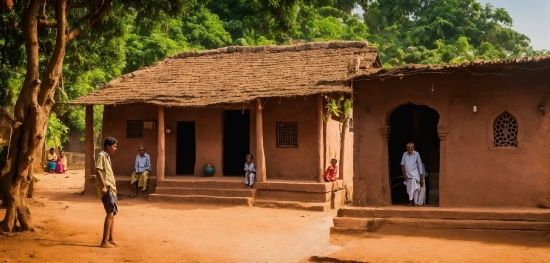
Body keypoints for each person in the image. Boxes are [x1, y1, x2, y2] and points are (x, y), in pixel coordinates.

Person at [95, 137, 118, 248]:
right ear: (108, 146)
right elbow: (98, 170)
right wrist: (104, 186)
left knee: (112, 213)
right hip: (107, 188)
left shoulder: (107, 157)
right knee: (109, 213)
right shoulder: (102, 156)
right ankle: (104, 241)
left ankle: (111, 238)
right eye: (113, 146)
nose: (115, 148)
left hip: (111, 188)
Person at [401, 142, 424, 207]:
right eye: (408, 147)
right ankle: (411, 202)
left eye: (411, 147)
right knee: (409, 189)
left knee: (415, 188)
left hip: (415, 174)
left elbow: (420, 165)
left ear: (413, 148)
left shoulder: (416, 154)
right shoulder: (404, 154)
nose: (410, 148)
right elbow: (402, 165)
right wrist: (404, 175)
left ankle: (415, 202)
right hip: (408, 174)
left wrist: (421, 177)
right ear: (407, 148)